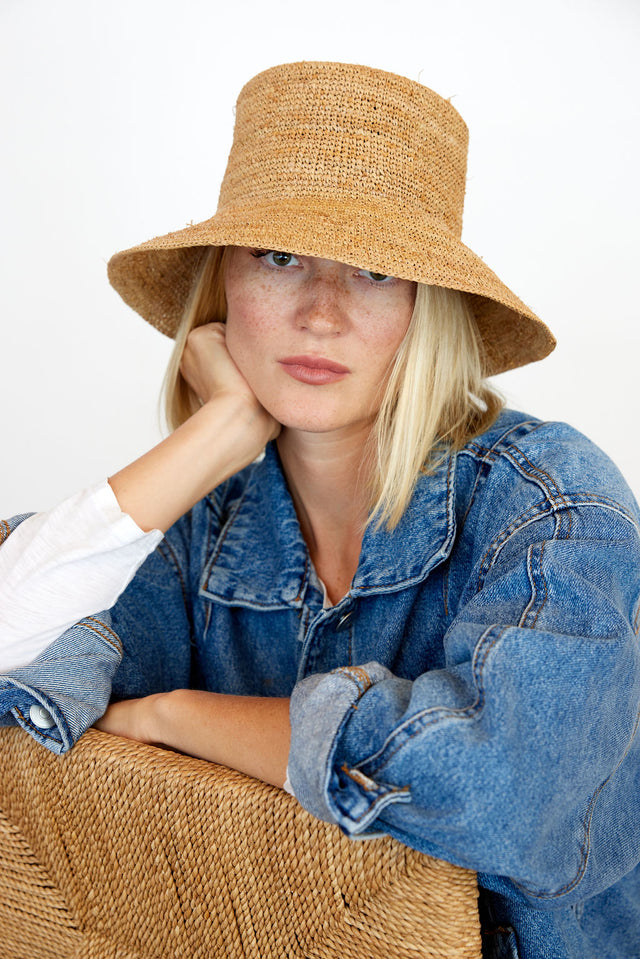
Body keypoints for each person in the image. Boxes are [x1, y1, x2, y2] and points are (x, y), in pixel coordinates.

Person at [1, 61, 639, 959]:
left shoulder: (551, 504)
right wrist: (213, 434)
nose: (322, 313)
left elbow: (507, 795)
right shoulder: (203, 519)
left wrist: (173, 716)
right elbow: (11, 646)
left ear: (429, 308)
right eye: (279, 256)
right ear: (224, 286)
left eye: (376, 271)